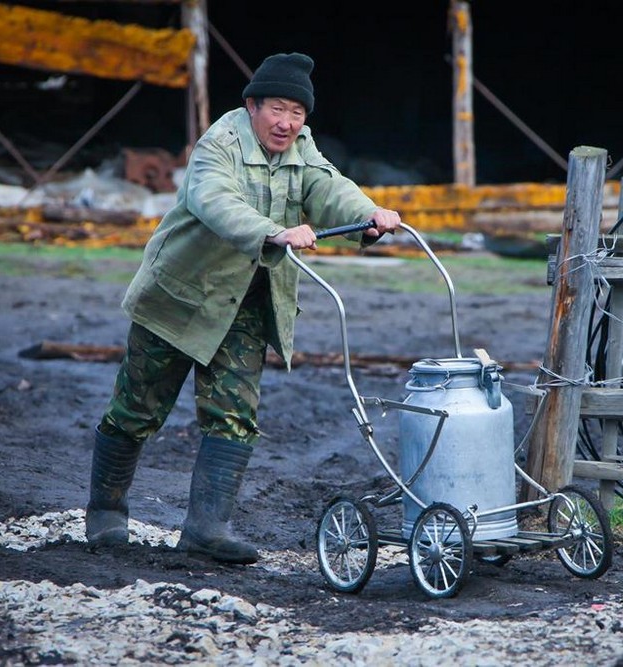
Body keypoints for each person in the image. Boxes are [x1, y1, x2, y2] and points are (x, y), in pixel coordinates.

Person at [84, 52, 401, 565]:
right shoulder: (220, 144)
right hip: (180, 298)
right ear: (252, 106)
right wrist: (273, 231)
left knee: (233, 417)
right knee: (137, 410)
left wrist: (367, 213)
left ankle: (207, 529)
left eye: (297, 113)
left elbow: (327, 186)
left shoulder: (302, 147)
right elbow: (215, 201)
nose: (286, 122)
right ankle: (106, 511)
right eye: (277, 109)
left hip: (247, 303)